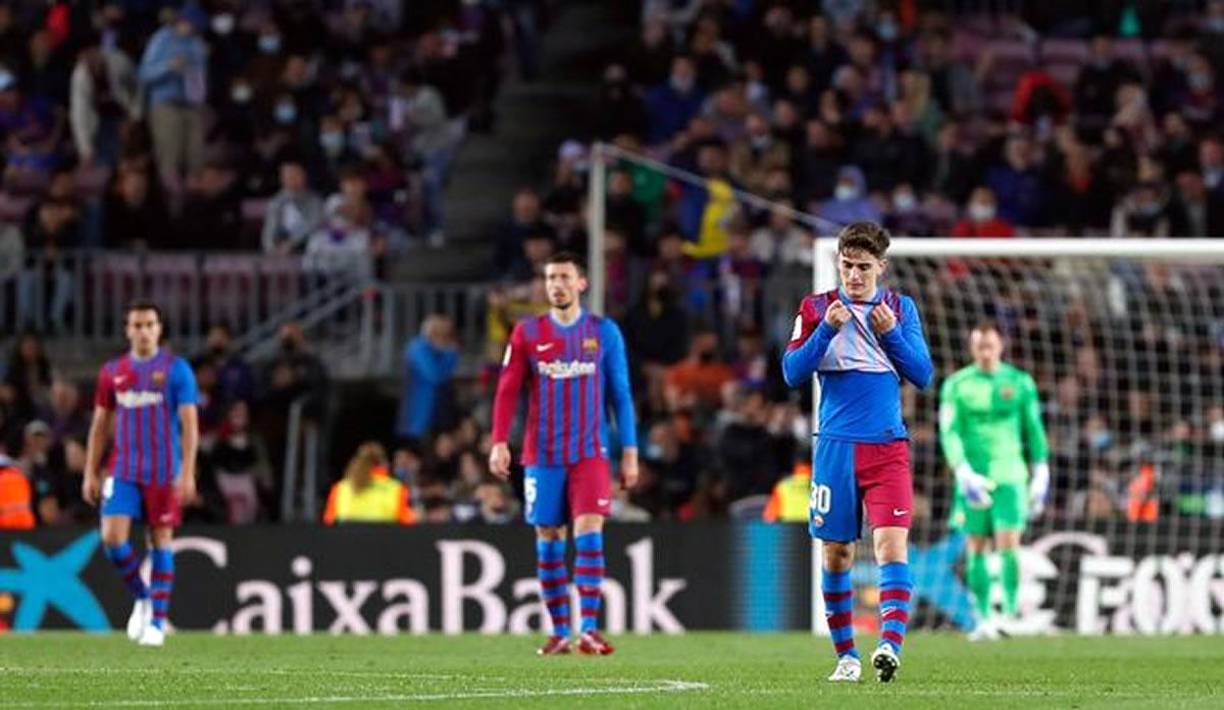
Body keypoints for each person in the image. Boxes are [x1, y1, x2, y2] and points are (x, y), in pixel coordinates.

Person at [781, 222, 933, 683]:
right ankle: (846, 656)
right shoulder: (815, 308)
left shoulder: (899, 309)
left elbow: (923, 374)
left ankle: (889, 646)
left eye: (864, 267)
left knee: (891, 546)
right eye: (847, 266)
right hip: (835, 448)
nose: (854, 276)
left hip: (887, 448)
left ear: (881, 268)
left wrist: (892, 337)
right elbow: (791, 372)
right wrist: (824, 332)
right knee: (837, 556)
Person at [489, 252, 638, 656]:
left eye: (564, 277)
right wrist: (499, 440)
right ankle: (559, 632)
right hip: (543, 455)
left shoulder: (604, 332)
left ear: (581, 283)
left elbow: (620, 395)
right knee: (549, 538)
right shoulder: (527, 333)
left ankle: (588, 629)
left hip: (590, 453)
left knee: (589, 534)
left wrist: (630, 451)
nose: (556, 284)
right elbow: (507, 389)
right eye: (550, 277)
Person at [82, 301, 200, 647]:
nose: (143, 331)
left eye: (149, 324)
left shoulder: (176, 370)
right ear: (127, 329)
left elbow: (190, 423)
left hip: (164, 471)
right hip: (124, 468)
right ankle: (145, 597)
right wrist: (90, 471)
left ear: (159, 329)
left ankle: (157, 625)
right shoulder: (113, 371)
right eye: (136, 324)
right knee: (112, 538)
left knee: (161, 539)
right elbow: (100, 424)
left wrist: (188, 472)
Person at [939, 323, 1050, 641]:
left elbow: (1034, 429)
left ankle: (1011, 615)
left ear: (1001, 346)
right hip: (973, 478)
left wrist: (1041, 469)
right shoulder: (957, 385)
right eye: (979, 347)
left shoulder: (1019, 382)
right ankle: (983, 617)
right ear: (972, 349)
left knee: (1008, 544)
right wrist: (961, 470)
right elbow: (950, 432)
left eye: (990, 346)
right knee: (975, 547)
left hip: (1011, 475)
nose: (986, 353)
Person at [396, 315, 459, 445]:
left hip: (437, 417)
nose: (445, 340)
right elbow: (435, 375)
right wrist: (450, 352)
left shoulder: (440, 352)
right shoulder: (417, 348)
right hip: (417, 418)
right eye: (441, 335)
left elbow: (446, 374)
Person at [321, 442, 414, 525]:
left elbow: (328, 522)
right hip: (384, 542)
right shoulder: (396, 489)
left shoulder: (340, 488)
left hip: (347, 542)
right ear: (384, 463)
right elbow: (408, 523)